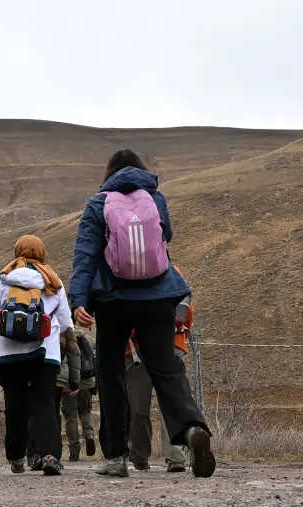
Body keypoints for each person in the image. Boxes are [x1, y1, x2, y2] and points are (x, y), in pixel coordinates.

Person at [68, 149, 215, 479]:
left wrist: (79, 300)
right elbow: (167, 237)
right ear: (141, 170)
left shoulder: (98, 203)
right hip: (158, 296)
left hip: (113, 300)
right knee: (167, 368)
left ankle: (117, 456)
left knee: (110, 373)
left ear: (109, 172)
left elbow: (85, 254)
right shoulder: (156, 198)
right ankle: (191, 430)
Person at [0, 235, 73, 476]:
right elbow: (65, 323)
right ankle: (50, 454)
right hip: (45, 354)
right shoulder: (53, 282)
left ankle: (17, 458)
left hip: (8, 354)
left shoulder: (2, 280)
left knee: (15, 404)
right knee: (44, 402)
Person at [128, 295, 194, 473]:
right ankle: (176, 456)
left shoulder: (122, 273)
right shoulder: (173, 274)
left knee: (138, 406)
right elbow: (186, 313)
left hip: (135, 348)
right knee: (171, 401)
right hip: (171, 342)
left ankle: (140, 455)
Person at [49, 327, 82, 467]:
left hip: (33, 371)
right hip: (58, 373)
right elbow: (73, 352)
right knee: (56, 412)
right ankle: (55, 455)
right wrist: (74, 381)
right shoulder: (62, 318)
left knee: (36, 410)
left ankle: (34, 453)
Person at [63, 329, 98, 462]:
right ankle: (89, 435)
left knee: (70, 417)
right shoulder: (88, 339)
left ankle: (74, 451)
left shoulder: (63, 338)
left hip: (69, 383)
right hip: (87, 383)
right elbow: (94, 361)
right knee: (86, 411)